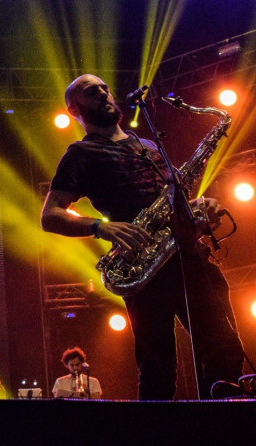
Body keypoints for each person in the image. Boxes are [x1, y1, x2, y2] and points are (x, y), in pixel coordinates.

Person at [41, 75, 245, 400]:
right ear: (73, 109)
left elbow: (171, 203)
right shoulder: (81, 153)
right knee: (157, 369)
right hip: (143, 268)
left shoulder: (149, 147)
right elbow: (50, 216)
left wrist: (197, 209)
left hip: (188, 258)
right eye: (91, 93)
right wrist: (99, 227)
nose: (104, 94)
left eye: (105, 88)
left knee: (226, 350)